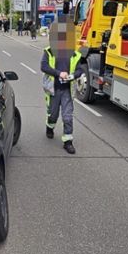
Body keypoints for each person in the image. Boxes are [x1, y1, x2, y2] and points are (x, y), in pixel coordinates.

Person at [40, 15, 82, 154]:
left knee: (67, 116)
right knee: (53, 114)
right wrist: (59, 73)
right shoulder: (49, 51)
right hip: (53, 89)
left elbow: (80, 70)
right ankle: (49, 127)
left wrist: (72, 76)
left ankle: (68, 141)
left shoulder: (75, 54)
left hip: (67, 90)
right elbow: (44, 67)